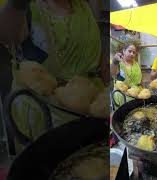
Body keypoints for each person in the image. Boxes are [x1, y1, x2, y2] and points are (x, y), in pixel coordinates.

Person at [5, 0, 106, 153]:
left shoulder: (85, 5)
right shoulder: (27, 6)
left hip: (90, 104)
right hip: (47, 112)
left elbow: (96, 56)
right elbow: (7, 36)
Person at [110, 43, 142, 108]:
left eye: (134, 52)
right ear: (124, 51)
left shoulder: (136, 65)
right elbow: (112, 74)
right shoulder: (118, 62)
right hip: (121, 95)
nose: (132, 54)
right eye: (129, 51)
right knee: (122, 114)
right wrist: (115, 61)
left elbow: (139, 79)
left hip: (134, 94)